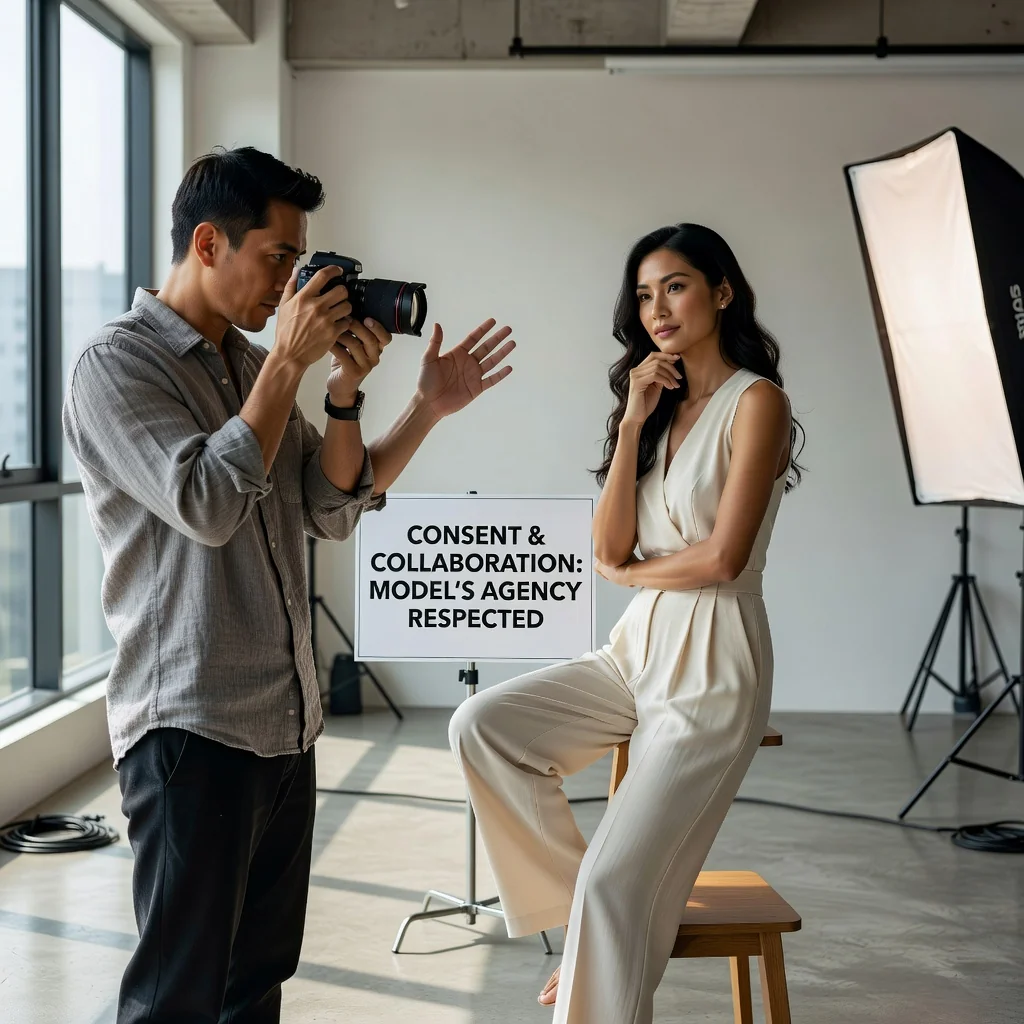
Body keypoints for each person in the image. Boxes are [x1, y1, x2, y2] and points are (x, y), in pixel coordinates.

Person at [62, 146, 514, 1024]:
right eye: (278, 258)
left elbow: (330, 507)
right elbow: (206, 502)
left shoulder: (247, 363)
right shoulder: (117, 366)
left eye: (298, 260)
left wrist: (374, 398)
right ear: (208, 243)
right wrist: (288, 366)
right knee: (176, 998)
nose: (291, 283)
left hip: (284, 723)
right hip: (190, 726)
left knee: (254, 987)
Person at [448, 223, 803, 1024]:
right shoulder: (655, 409)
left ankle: (594, 933)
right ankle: (578, 925)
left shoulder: (758, 402)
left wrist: (633, 574)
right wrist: (635, 418)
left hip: (716, 662)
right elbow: (607, 546)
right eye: (644, 296)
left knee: (614, 884)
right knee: (483, 726)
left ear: (722, 291)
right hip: (636, 647)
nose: (657, 309)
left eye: (675, 286)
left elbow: (724, 558)